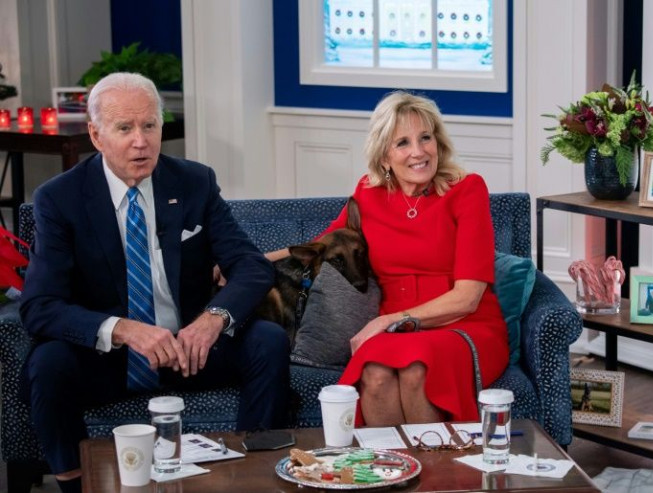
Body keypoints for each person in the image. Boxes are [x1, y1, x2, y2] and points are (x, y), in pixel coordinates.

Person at [19, 72, 290, 493]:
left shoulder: (194, 181)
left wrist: (213, 318)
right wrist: (124, 330)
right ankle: (76, 485)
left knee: (267, 341)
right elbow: (39, 306)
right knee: (47, 364)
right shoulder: (59, 198)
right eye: (124, 128)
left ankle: (252, 476)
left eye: (149, 125)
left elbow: (252, 266)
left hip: (189, 350)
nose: (140, 141)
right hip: (110, 358)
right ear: (96, 134)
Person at [269, 91, 509, 426]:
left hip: (461, 324)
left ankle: (440, 476)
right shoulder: (368, 193)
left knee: (415, 372)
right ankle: (391, 472)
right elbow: (323, 244)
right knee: (375, 375)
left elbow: (468, 298)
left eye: (426, 138)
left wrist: (388, 321)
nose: (418, 151)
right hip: (396, 330)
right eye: (403, 143)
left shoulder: (467, 190)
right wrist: (253, 260)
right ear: (384, 156)